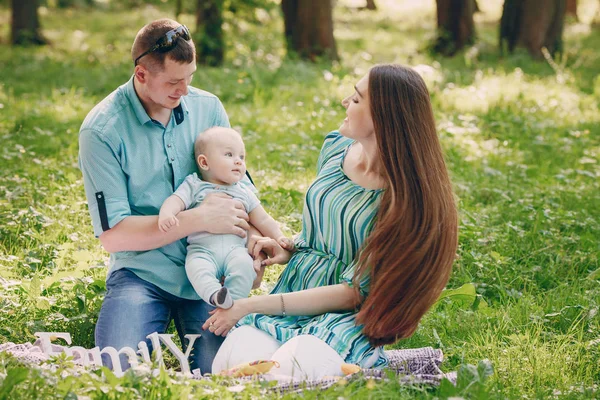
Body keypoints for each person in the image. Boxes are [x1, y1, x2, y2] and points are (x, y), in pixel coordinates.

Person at [203, 64, 459, 381]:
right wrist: (291, 249)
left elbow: (354, 292)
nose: (345, 102)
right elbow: (327, 231)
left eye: (356, 98)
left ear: (382, 114)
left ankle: (358, 366)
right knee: (231, 362)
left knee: (282, 375)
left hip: (343, 317)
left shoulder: (401, 199)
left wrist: (249, 306)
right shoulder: (336, 147)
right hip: (297, 292)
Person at [78, 19, 263, 374]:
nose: (184, 90)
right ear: (142, 74)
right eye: (174, 82)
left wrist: (254, 243)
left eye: (190, 77)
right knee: (117, 374)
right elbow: (115, 236)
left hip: (214, 274)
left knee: (227, 375)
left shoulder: (208, 108)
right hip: (142, 273)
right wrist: (197, 219)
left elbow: (240, 192)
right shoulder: (102, 130)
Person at [158, 127, 291, 309]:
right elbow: (176, 200)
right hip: (202, 250)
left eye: (242, 157)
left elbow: (263, 219)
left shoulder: (243, 191)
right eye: (229, 155)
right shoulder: (194, 185)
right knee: (197, 269)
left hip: (236, 249)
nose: (238, 161)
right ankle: (215, 294)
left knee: (245, 267)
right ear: (204, 163)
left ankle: (234, 303)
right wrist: (167, 213)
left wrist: (280, 238)